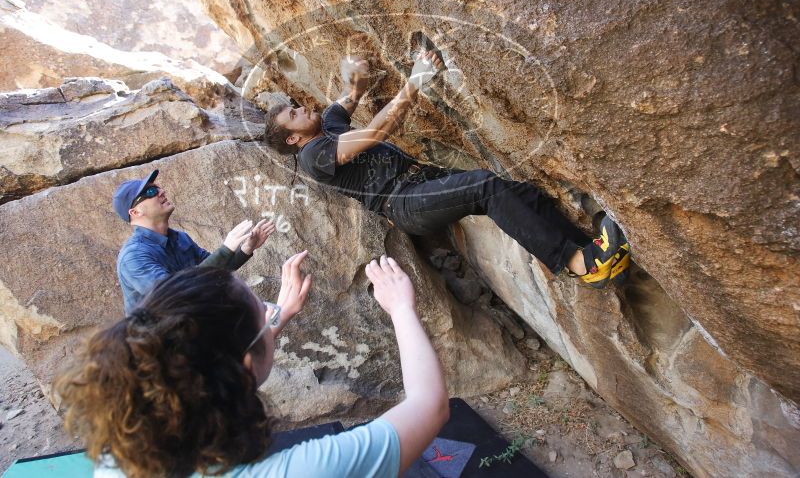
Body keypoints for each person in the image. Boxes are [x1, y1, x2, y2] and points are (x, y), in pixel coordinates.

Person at [55, 252, 449, 478]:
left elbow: (208, 360)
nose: (269, 308)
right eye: (260, 307)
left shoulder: (119, 454)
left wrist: (275, 318)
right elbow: (428, 404)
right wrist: (401, 308)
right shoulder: (301, 472)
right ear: (243, 369)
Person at [263, 53, 630, 288]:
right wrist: (415, 80)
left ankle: (589, 252)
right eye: (293, 115)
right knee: (483, 186)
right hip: (402, 203)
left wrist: (355, 72)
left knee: (519, 192)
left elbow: (350, 95)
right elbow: (376, 131)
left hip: (419, 182)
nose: (300, 109)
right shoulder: (314, 156)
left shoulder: (327, 123)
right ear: (294, 140)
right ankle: (582, 264)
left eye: (294, 107)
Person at [113, 169, 276, 314]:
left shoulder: (180, 238)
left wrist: (246, 249)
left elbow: (215, 271)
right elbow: (173, 294)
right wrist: (226, 249)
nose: (161, 191)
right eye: (150, 192)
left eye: (157, 188)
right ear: (135, 212)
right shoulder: (133, 256)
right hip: (160, 344)